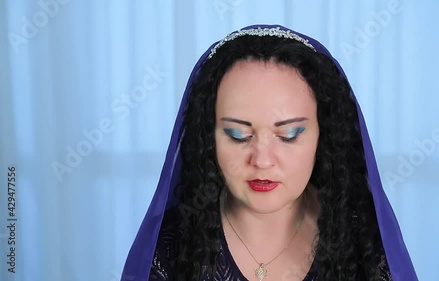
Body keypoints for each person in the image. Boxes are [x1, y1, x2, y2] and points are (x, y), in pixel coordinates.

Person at [121, 25, 418, 281]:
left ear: (324, 135)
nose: (262, 160)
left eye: (289, 135)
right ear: (207, 136)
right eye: (238, 135)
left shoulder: (363, 243)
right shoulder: (171, 247)